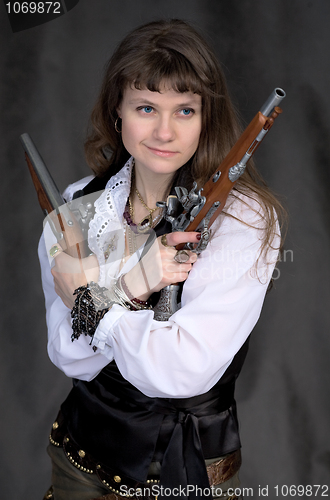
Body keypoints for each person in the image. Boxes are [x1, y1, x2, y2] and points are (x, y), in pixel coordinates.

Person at [38, 19, 284, 500]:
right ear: (118, 112)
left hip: (182, 473)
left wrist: (99, 301)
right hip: (76, 463)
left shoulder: (244, 220)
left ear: (205, 117)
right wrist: (132, 286)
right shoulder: (76, 206)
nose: (164, 131)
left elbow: (181, 369)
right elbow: (69, 354)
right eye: (146, 107)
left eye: (185, 110)